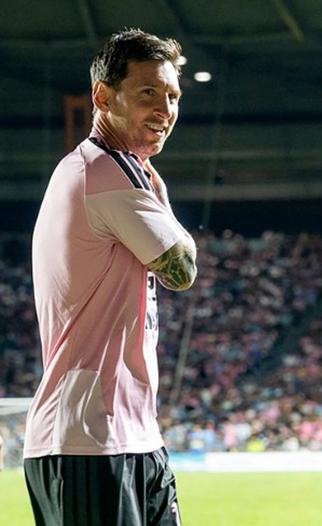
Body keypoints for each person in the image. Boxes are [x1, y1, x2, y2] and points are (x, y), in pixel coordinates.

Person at [23, 29, 196, 526]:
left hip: (132, 435)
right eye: (148, 93)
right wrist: (163, 207)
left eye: (172, 96)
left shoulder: (101, 168)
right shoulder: (104, 171)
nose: (165, 109)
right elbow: (182, 270)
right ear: (103, 96)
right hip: (86, 440)